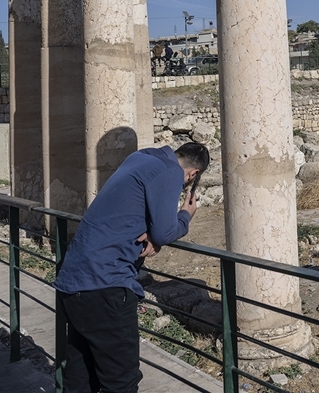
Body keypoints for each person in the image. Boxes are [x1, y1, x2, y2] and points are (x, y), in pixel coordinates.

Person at [54, 142, 210, 393]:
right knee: (121, 381)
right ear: (193, 174)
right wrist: (185, 215)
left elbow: (135, 211)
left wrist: (153, 234)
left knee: (80, 376)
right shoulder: (170, 171)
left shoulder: (141, 158)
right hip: (106, 286)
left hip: (73, 282)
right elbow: (164, 230)